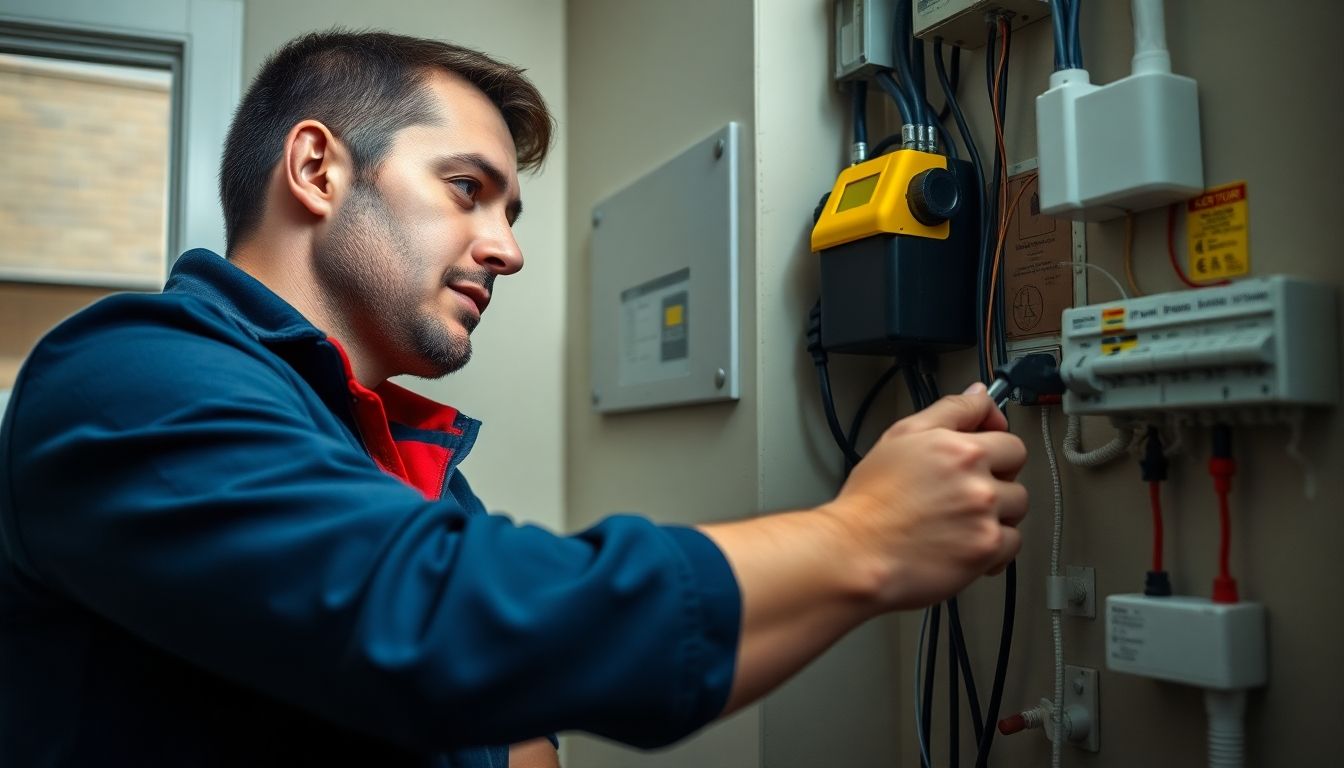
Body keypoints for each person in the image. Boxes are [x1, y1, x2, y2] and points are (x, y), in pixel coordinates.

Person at [0, 30, 1028, 767]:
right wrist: (865, 537)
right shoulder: (126, 379)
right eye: (466, 189)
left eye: (511, 208)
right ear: (316, 168)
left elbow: (504, 674)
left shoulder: (391, 448)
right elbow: (441, 622)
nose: (509, 247)